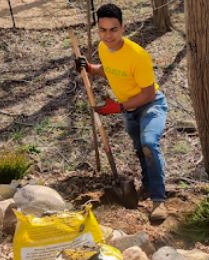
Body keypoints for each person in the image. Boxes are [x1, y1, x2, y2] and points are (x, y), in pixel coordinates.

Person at [75, 3, 168, 220]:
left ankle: (159, 199)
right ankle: (147, 185)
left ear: (123, 28)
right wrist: (89, 68)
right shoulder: (102, 47)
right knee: (139, 149)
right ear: (98, 29)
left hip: (150, 105)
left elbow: (148, 94)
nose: (108, 35)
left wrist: (118, 107)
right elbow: (109, 71)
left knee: (148, 143)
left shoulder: (138, 55)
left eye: (113, 29)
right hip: (128, 109)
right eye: (103, 30)